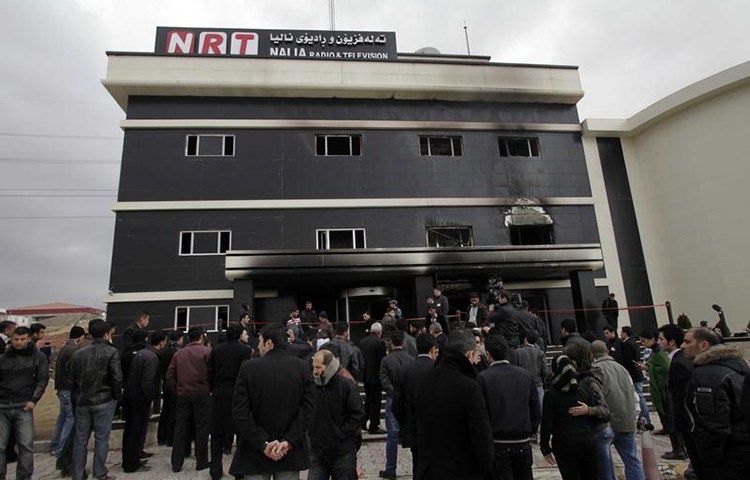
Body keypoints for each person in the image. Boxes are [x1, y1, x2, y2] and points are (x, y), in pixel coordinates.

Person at [229, 323, 316, 480]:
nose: (259, 346)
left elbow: (240, 412)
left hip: (254, 452)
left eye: (260, 341)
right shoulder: (302, 367)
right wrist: (288, 441)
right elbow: (309, 409)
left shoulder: (248, 368)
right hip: (289, 452)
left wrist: (263, 443)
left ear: (269, 343)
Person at [414, 329, 493, 480]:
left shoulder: (424, 381)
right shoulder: (469, 386)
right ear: (469, 354)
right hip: (462, 470)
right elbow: (481, 437)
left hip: (429, 469)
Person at [683, 327, 750, 479]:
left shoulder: (708, 376)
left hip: (728, 455)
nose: (683, 346)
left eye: (687, 341)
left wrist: (708, 458)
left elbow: (713, 424)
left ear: (704, 345)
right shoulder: (737, 366)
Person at [478, 334, 541, 480]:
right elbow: (536, 410)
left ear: (488, 354)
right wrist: (529, 429)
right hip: (522, 441)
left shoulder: (483, 378)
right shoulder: (525, 375)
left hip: (498, 442)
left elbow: (481, 415)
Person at [69, 318, 122, 480]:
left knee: (80, 440)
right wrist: (116, 397)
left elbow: (72, 380)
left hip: (82, 401)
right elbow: (117, 378)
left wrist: (76, 400)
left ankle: (77, 474)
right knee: (101, 439)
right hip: (104, 400)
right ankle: (99, 472)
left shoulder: (78, 354)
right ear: (106, 334)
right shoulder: (111, 352)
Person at [0, 326, 49, 480]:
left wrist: (33, 400)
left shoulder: (38, 357)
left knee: (26, 446)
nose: (19, 343)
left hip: (24, 406)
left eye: (22, 339)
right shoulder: (3, 358)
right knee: (0, 446)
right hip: (3, 405)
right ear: (11, 339)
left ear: (28, 339)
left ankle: (24, 477)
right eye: (16, 339)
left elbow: (42, 380)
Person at [591, 340, 645, 480]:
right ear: (607, 351)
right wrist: (635, 416)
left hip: (606, 422)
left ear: (592, 354)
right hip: (627, 419)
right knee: (632, 460)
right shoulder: (622, 368)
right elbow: (634, 395)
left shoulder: (595, 370)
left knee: (605, 463)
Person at [540, 355, 599, 480]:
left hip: (564, 442)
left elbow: (547, 422)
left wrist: (545, 447)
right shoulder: (582, 391)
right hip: (586, 439)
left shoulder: (551, 394)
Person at [309, 349, 365, 480]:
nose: (315, 371)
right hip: (317, 451)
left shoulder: (345, 384)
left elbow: (358, 413)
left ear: (328, 367)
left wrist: (341, 434)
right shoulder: (311, 386)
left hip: (342, 452)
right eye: (314, 367)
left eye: (318, 367)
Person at [207, 324, 253, 480]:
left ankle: (215, 471)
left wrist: (213, 388)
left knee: (216, 433)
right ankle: (239, 471)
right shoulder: (245, 351)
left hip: (219, 393)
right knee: (241, 433)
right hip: (238, 394)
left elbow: (210, 372)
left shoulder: (216, 350)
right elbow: (246, 374)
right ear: (240, 335)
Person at [564, 342, 613, 480]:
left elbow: (604, 410)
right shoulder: (577, 378)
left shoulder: (589, 381)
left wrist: (588, 410)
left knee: (603, 473)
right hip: (589, 432)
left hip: (599, 431)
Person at [167, 326, 211, 473]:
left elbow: (170, 375)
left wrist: (177, 390)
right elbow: (212, 373)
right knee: (202, 428)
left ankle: (176, 463)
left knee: (180, 428)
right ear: (201, 337)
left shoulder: (179, 354)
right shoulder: (207, 352)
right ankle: (202, 461)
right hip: (202, 394)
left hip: (183, 394)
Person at [122, 330, 167, 473]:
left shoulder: (143, 353)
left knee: (130, 431)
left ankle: (129, 459)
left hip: (131, 396)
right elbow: (148, 382)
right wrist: (150, 397)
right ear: (161, 342)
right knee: (136, 431)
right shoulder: (152, 358)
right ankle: (132, 463)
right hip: (140, 400)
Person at [393, 333, 438, 478]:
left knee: (417, 464)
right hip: (437, 427)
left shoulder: (404, 371)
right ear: (432, 349)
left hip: (413, 426)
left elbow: (397, 405)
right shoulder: (440, 369)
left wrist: (405, 421)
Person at [378, 330, 414, 480]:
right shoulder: (411, 360)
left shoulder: (386, 360)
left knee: (392, 434)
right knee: (412, 432)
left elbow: (384, 381)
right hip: (409, 399)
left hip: (393, 398)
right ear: (403, 343)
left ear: (391, 343)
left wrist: (394, 392)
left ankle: (390, 469)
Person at [49, 325, 85, 457]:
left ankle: (55, 445)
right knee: (70, 419)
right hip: (68, 389)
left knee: (63, 417)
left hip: (61, 388)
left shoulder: (65, 348)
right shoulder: (73, 350)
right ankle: (62, 450)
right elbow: (71, 371)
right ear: (80, 336)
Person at [657, 324, 690, 461]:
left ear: (671, 342)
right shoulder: (677, 359)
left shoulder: (678, 363)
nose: (659, 342)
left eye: (661, 339)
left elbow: (679, 393)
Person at [514, 331, 548, 437]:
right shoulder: (540, 352)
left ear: (525, 339)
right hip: (538, 383)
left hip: (523, 384)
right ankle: (537, 432)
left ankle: (530, 432)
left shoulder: (517, 352)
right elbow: (545, 370)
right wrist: (544, 380)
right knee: (538, 410)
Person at [637, 329, 670, 436]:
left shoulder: (660, 351)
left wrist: (648, 367)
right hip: (656, 384)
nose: (643, 344)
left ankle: (669, 428)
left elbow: (664, 367)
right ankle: (665, 426)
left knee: (666, 408)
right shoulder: (653, 351)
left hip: (663, 385)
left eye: (644, 341)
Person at [358, 322, 386, 434]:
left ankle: (363, 422)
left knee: (368, 400)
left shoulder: (362, 342)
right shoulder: (380, 343)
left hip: (365, 375)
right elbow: (382, 361)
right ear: (379, 332)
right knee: (376, 401)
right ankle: (374, 425)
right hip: (376, 376)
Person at [157, 330, 184, 447]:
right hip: (175, 385)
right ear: (179, 339)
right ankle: (171, 438)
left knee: (165, 411)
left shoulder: (164, 351)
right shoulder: (178, 352)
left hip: (166, 385)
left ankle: (162, 437)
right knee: (174, 411)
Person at [620, 325, 650, 426]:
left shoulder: (627, 344)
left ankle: (644, 418)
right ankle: (645, 418)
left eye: (621, 332)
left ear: (625, 333)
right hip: (637, 373)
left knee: (639, 396)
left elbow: (627, 360)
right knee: (639, 396)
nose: (620, 334)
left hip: (633, 373)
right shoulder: (634, 343)